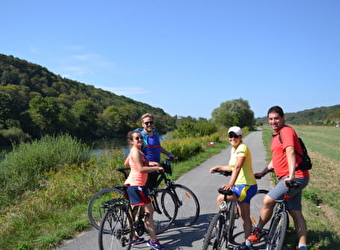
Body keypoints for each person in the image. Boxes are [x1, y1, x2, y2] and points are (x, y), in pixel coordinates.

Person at [244, 106, 310, 250]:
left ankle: (258, 231)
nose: (273, 121)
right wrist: (263, 172)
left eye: (276, 118)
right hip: (294, 177)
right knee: (295, 212)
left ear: (283, 118)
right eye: (271, 119)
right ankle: (303, 245)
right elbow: (276, 159)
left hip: (294, 177)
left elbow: (290, 151)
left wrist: (291, 175)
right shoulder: (276, 135)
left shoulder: (286, 131)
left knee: (268, 200)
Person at [209, 126, 258, 249]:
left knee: (221, 198)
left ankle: (220, 224)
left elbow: (238, 167)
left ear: (240, 137)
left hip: (246, 186)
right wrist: (218, 167)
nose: (232, 138)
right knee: (245, 216)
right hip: (241, 185)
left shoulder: (242, 148)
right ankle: (248, 243)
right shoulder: (234, 149)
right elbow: (232, 167)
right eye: (230, 136)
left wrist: (230, 184)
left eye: (235, 136)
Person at [124, 130, 165, 250]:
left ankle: (133, 238)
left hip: (132, 184)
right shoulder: (136, 152)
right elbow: (141, 169)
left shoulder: (135, 151)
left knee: (134, 212)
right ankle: (153, 241)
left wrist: (150, 163)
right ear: (132, 141)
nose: (140, 140)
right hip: (137, 185)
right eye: (137, 138)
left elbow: (127, 163)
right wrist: (156, 168)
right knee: (149, 212)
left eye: (141, 138)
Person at [138, 113, 175, 188]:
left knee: (153, 192)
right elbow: (136, 153)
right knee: (146, 194)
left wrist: (168, 153)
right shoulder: (140, 137)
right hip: (147, 169)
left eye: (151, 122)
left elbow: (158, 147)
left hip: (156, 167)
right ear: (143, 124)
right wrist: (149, 162)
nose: (149, 124)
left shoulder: (155, 133)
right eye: (146, 123)